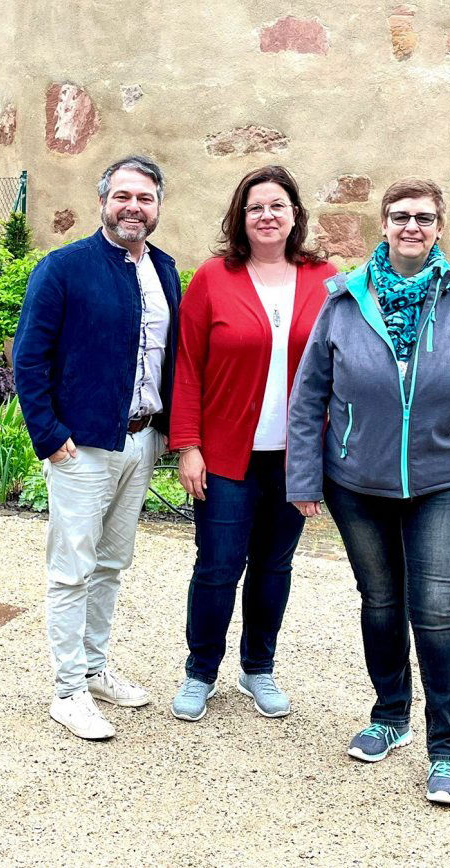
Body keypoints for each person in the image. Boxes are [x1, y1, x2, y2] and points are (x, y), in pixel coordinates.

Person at [285, 177, 450, 806]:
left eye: (425, 218)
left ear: (440, 228)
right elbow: (309, 400)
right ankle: (390, 716)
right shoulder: (344, 302)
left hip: (445, 483)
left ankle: (447, 750)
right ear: (383, 225)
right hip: (358, 484)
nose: (412, 227)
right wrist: (303, 477)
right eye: (400, 216)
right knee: (380, 602)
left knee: (436, 611)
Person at [13, 154, 182, 741]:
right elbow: (28, 358)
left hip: (140, 440)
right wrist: (50, 436)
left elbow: (172, 357)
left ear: (158, 207)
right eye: (124, 197)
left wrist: (167, 434)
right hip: (80, 447)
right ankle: (68, 690)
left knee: (112, 563)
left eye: (146, 199)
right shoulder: (63, 268)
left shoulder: (165, 270)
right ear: (104, 201)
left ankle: (94, 667)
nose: (134, 207)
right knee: (71, 570)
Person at [167, 166, 337, 722]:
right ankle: (200, 671)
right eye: (255, 207)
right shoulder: (214, 277)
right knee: (217, 566)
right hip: (225, 456)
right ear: (241, 218)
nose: (267, 216)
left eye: (277, 206)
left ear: (294, 215)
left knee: (274, 566)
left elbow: (345, 363)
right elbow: (187, 365)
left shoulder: (325, 279)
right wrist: (187, 443)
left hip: (295, 458)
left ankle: (258, 668)